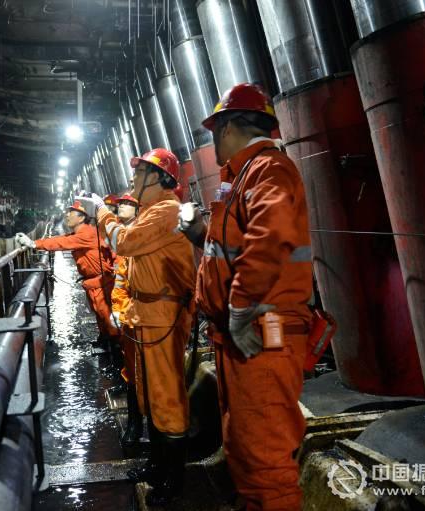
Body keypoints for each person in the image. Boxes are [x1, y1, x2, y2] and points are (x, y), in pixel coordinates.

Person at [179, 83, 313, 511]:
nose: (214, 143)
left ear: (229, 127)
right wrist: (199, 234)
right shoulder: (241, 177)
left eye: (215, 133)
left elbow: (270, 238)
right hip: (240, 335)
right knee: (242, 446)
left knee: (265, 458)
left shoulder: (268, 169)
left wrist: (239, 307)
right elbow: (236, 247)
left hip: (261, 333)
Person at [77, 149, 196, 505]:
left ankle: (173, 479)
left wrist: (101, 212)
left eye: (140, 172)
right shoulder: (151, 213)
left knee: (165, 396)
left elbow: (124, 242)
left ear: (159, 177)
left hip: (163, 312)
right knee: (148, 393)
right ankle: (157, 465)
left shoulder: (167, 211)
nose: (133, 179)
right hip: (146, 311)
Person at [15, 200, 119, 344]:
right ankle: (107, 343)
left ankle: (117, 349)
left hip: (102, 283)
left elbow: (62, 243)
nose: (67, 215)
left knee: (108, 317)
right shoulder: (81, 233)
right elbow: (64, 238)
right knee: (101, 315)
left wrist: (34, 244)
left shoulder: (87, 234)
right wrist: (36, 243)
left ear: (81, 218)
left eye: (71, 213)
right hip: (94, 282)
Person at [107, 194, 142, 446]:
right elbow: (121, 280)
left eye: (128, 203)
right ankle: (134, 424)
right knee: (131, 371)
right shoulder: (126, 239)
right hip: (132, 314)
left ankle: (148, 428)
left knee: (153, 375)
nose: (122, 206)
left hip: (153, 316)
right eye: (121, 203)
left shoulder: (142, 235)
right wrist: (119, 310)